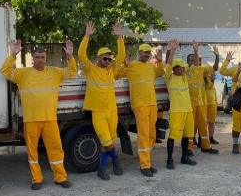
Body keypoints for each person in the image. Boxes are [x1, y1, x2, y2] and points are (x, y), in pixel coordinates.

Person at [2, 39, 76, 189]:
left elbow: (72, 72)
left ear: (46, 58)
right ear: (33, 58)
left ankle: (60, 177)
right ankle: (37, 179)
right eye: (37, 57)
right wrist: (13, 55)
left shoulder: (55, 72)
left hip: (50, 119)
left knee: (56, 149)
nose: (40, 60)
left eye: (42, 57)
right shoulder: (23, 74)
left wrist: (70, 57)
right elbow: (4, 71)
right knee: (32, 152)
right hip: (31, 120)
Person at [78, 21, 126, 181]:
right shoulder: (90, 69)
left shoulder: (111, 70)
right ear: (98, 58)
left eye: (108, 59)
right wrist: (87, 36)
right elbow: (80, 55)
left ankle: (101, 170)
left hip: (112, 111)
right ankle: (116, 160)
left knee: (110, 141)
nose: (107, 61)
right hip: (98, 112)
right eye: (104, 58)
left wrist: (119, 37)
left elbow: (121, 57)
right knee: (106, 142)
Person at [120, 39, 165, 177]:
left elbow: (160, 73)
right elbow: (121, 73)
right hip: (140, 105)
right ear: (139, 53)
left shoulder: (151, 66)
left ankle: (147, 162)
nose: (146, 55)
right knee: (144, 135)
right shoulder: (132, 65)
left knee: (152, 135)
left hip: (152, 104)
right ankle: (144, 165)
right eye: (144, 53)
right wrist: (124, 64)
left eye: (148, 53)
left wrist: (160, 60)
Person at [163, 48, 197, 170]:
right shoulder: (169, 77)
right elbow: (168, 65)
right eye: (181, 67)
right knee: (172, 136)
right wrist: (171, 51)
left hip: (188, 110)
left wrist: (196, 50)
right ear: (175, 68)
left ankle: (184, 157)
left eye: (184, 67)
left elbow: (195, 65)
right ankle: (169, 160)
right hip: (176, 111)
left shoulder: (184, 77)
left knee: (187, 136)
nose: (183, 69)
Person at [221, 51, 241, 155]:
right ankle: (235, 145)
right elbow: (222, 71)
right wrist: (227, 60)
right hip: (238, 101)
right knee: (237, 126)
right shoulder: (236, 69)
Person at [185, 42, 214, 154]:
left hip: (200, 102)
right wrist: (195, 51)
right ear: (187, 62)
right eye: (192, 60)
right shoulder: (185, 71)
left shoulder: (199, 70)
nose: (194, 62)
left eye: (195, 60)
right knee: (190, 127)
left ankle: (206, 146)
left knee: (203, 125)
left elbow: (212, 68)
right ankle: (189, 148)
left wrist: (196, 51)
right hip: (190, 103)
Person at [204, 47, 222, 150]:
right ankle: (200, 139)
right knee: (202, 122)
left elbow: (215, 67)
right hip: (203, 102)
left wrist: (217, 56)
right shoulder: (201, 75)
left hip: (212, 102)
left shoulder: (211, 76)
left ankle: (210, 137)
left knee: (212, 121)